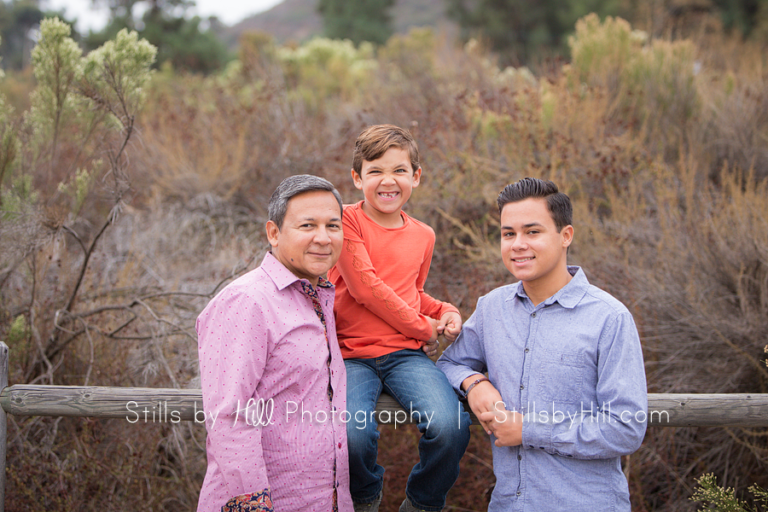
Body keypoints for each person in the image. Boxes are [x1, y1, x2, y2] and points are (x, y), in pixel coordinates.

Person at [437, 177, 647, 512]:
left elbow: (626, 428)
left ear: (566, 236)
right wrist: (474, 383)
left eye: (532, 232)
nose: (517, 244)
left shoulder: (609, 318)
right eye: (509, 234)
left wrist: (529, 430)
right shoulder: (492, 309)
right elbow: (448, 363)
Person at [328, 124, 471, 512]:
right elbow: (366, 289)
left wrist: (445, 311)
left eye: (399, 170)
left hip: (405, 356)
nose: (387, 181)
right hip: (350, 355)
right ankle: (365, 499)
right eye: (375, 171)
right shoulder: (346, 220)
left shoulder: (423, 234)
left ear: (416, 177)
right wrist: (425, 328)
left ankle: (423, 502)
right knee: (353, 434)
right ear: (357, 178)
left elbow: (411, 293)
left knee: (451, 425)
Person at [196, 175, 354, 512]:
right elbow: (229, 415)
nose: (323, 238)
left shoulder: (321, 297)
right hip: (269, 503)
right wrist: (254, 504)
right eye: (307, 225)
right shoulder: (247, 301)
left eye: (333, 225)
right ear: (274, 233)